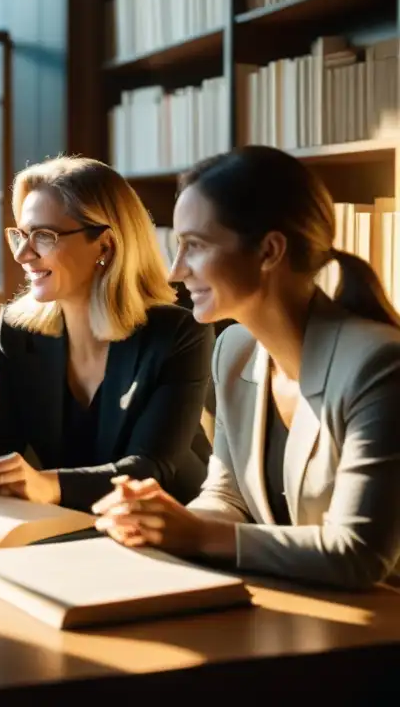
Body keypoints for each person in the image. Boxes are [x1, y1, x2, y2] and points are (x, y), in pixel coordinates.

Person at [93, 146, 400, 590]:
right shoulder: (233, 349)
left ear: (269, 251)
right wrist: (161, 528)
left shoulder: (378, 366)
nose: (176, 271)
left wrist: (197, 535)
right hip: (295, 607)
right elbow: (227, 494)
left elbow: (360, 555)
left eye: (194, 246)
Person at [0, 156, 214, 512]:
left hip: (167, 523)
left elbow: (151, 468)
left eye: (44, 236)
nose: (23, 254)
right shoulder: (19, 330)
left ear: (105, 246)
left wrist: (45, 484)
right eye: (21, 235)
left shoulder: (179, 334)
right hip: (66, 520)